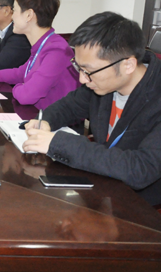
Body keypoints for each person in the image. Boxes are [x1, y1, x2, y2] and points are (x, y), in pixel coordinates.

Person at [23, 12, 161, 206]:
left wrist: (58, 143)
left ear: (128, 65)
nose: (82, 79)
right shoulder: (102, 84)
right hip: (102, 187)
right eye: (79, 68)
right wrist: (45, 121)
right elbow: (69, 106)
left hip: (139, 207)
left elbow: (140, 169)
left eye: (89, 71)